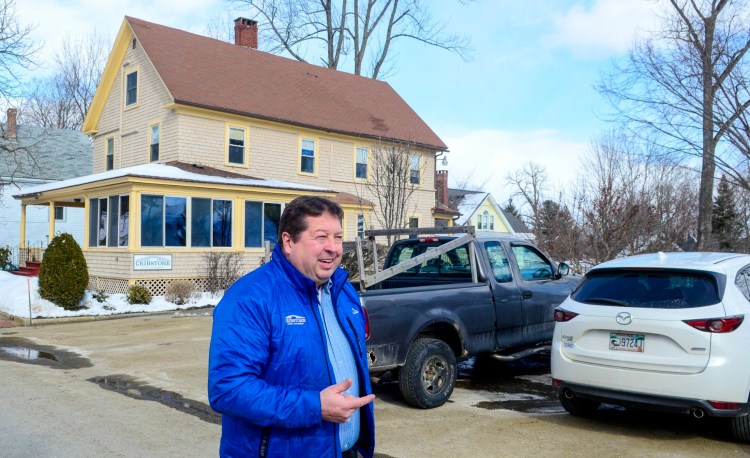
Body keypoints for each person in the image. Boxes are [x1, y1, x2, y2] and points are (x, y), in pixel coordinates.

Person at [208, 196, 375, 458]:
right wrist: (315, 406)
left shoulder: (344, 293)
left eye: (338, 237)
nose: (333, 248)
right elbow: (228, 389)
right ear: (288, 241)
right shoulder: (250, 298)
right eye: (321, 237)